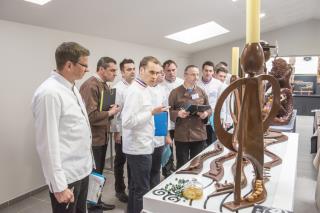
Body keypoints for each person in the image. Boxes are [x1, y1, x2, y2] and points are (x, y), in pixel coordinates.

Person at [32, 42, 93, 213]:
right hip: (67, 177)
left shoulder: (71, 88)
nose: (87, 69)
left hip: (81, 170)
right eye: (84, 65)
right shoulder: (49, 93)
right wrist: (59, 186)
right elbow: (47, 144)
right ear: (68, 65)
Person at [122, 56, 165, 213]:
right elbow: (127, 122)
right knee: (142, 190)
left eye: (157, 73)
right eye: (151, 72)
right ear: (141, 70)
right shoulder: (135, 91)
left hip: (143, 145)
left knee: (135, 188)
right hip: (138, 148)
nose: (154, 76)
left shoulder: (144, 88)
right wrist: (152, 112)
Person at [80, 57, 120, 211]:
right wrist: (110, 112)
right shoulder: (91, 85)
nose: (115, 73)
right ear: (101, 69)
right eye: (112, 70)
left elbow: (101, 110)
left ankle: (97, 202)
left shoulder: (104, 85)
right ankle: (93, 207)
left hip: (101, 137)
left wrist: (111, 109)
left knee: (98, 174)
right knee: (94, 175)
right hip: (94, 139)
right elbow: (90, 116)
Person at [169, 65, 212, 169]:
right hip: (182, 135)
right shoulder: (175, 93)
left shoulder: (201, 92)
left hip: (199, 134)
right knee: (182, 165)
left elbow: (209, 109)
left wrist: (205, 114)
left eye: (197, 74)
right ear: (185, 75)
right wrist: (178, 114)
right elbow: (169, 112)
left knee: (197, 164)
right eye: (193, 74)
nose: (196, 77)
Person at [110, 58, 136, 203]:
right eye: (128, 69)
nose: (132, 71)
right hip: (122, 131)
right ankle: (119, 190)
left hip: (134, 130)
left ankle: (133, 188)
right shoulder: (117, 88)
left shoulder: (136, 86)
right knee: (120, 161)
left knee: (132, 161)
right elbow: (115, 113)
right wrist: (117, 132)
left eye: (133, 69)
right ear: (122, 72)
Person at [159, 59, 183, 177]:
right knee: (167, 147)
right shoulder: (159, 84)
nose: (171, 72)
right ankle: (167, 171)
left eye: (173, 70)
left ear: (176, 70)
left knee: (179, 147)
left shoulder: (182, 83)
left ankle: (176, 167)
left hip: (180, 122)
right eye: (168, 70)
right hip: (165, 121)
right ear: (164, 71)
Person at [149, 68, 172, 188]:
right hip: (145, 136)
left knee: (156, 168)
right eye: (156, 73)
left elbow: (166, 113)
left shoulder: (162, 90)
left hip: (159, 134)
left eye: (161, 74)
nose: (160, 76)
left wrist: (167, 134)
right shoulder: (142, 89)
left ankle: (154, 191)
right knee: (143, 172)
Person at [197, 61, 224, 146]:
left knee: (212, 144)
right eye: (206, 70)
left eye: (210, 71)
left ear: (213, 72)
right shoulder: (196, 83)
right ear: (202, 71)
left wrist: (222, 118)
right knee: (200, 145)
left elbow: (221, 102)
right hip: (198, 118)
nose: (208, 73)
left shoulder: (218, 84)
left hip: (212, 118)